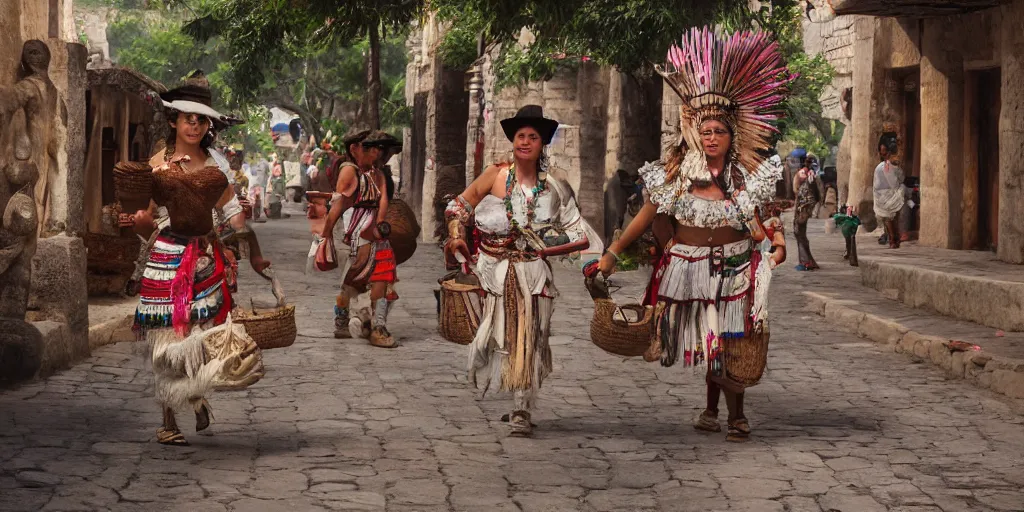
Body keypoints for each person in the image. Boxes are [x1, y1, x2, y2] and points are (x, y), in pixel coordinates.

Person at [597, 28, 791, 442]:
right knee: (712, 341)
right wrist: (612, 252)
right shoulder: (677, 176)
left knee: (732, 339)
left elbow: (762, 223)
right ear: (697, 135)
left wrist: (775, 245)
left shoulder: (745, 179)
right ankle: (710, 408)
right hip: (689, 270)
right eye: (706, 132)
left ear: (731, 136)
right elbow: (647, 215)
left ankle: (734, 415)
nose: (712, 137)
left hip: (736, 268)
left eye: (719, 132)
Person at [124, 71, 266, 446]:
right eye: (188, 117)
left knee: (202, 335)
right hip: (167, 258)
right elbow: (146, 216)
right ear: (173, 120)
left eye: (202, 119)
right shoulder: (157, 163)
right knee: (166, 339)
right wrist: (139, 222)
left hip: (206, 259)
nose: (195, 125)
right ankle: (169, 419)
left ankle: (194, 392)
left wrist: (243, 249)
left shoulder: (215, 163)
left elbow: (232, 211)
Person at [443, 105, 600, 437]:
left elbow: (578, 234)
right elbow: (458, 206)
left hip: (532, 274)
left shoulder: (555, 185)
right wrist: (456, 235)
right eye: (520, 136)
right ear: (512, 141)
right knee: (497, 337)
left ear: (543, 144)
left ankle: (521, 407)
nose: (525, 141)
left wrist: (545, 248)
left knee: (528, 337)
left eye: (533, 136)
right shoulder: (495, 175)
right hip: (492, 270)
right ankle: (514, 394)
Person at [320, 129, 399, 348]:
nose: (375, 152)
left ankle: (378, 325)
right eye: (369, 148)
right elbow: (339, 205)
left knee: (384, 272)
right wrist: (325, 235)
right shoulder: (349, 172)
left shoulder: (378, 174)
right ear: (354, 150)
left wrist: (380, 225)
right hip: (353, 228)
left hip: (374, 229)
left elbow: (383, 200)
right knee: (352, 279)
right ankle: (345, 319)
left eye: (377, 148)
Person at [873, 138, 905, 249]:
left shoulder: (889, 165)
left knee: (892, 218)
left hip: (891, 194)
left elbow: (896, 179)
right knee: (889, 218)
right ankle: (892, 239)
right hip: (883, 195)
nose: (883, 155)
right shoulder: (884, 166)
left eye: (885, 152)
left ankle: (894, 238)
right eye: (882, 153)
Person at [793, 154, 821, 271]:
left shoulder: (803, 174)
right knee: (800, 233)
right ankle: (808, 260)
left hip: (803, 207)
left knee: (799, 232)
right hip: (805, 207)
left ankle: (805, 262)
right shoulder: (812, 175)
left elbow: (796, 189)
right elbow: (817, 195)